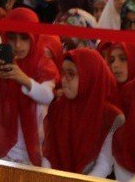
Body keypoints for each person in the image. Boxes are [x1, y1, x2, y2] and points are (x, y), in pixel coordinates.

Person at [0, 8, 59, 165]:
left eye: (24, 38)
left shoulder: (44, 65)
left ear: (34, 37)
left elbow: (47, 96)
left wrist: (23, 79)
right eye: (12, 38)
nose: (18, 45)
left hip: (30, 149)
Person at [42, 48, 123, 176]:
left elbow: (105, 163)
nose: (64, 79)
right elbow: (48, 153)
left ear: (89, 76)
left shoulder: (112, 117)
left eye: (71, 74)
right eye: (63, 73)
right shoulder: (58, 108)